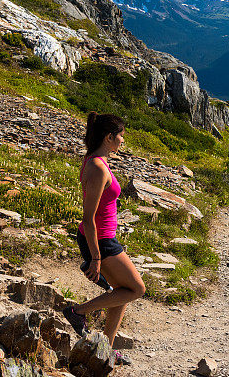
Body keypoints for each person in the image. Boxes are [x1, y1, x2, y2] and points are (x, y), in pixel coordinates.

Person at [63, 112, 145, 365]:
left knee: (122, 292)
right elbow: (88, 218)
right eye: (120, 135)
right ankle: (76, 312)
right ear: (109, 137)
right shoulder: (97, 167)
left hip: (104, 239)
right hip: (102, 241)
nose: (122, 140)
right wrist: (96, 257)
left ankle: (106, 350)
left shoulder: (96, 159)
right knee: (137, 289)